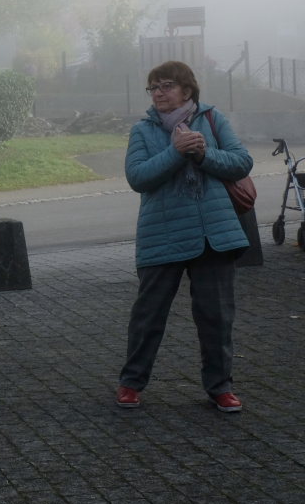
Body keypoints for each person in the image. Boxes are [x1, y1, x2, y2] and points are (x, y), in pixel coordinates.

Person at [116, 60, 252, 413]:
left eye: (166, 86)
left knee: (216, 317)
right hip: (162, 234)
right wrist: (175, 152)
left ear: (187, 90)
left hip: (213, 236)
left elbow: (241, 162)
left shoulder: (212, 119)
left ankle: (220, 387)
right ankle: (131, 382)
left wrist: (204, 154)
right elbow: (138, 178)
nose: (158, 93)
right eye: (153, 87)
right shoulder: (143, 130)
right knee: (148, 316)